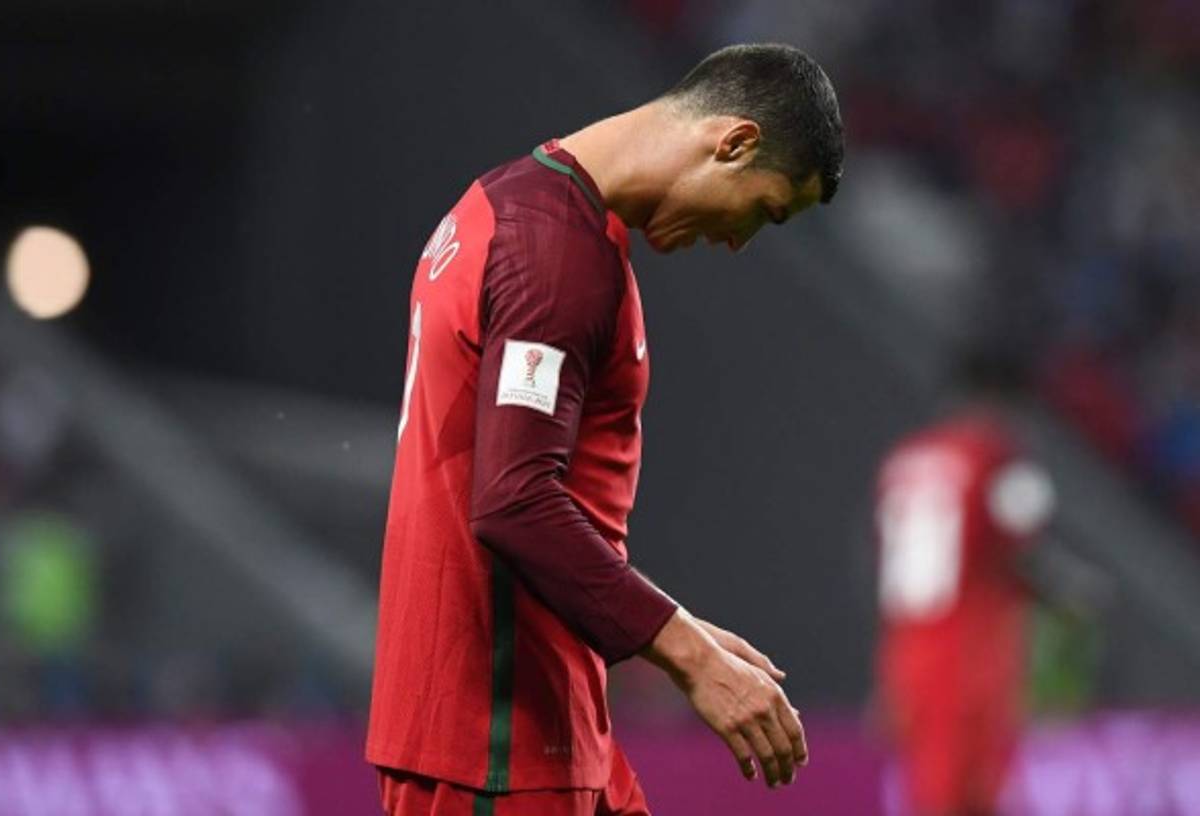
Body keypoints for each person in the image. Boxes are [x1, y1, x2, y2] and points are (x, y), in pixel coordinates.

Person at [367, 43, 845, 816]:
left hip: (539, 716)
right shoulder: (553, 253)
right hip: (495, 743)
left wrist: (676, 629)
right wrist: (688, 656)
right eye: (765, 209)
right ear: (733, 143)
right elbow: (514, 502)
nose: (740, 240)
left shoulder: (513, 207)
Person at [872, 349, 1057, 816]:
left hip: (909, 649)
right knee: (966, 796)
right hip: (971, 649)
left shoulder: (906, 459)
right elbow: (1024, 537)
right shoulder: (992, 459)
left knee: (932, 792)